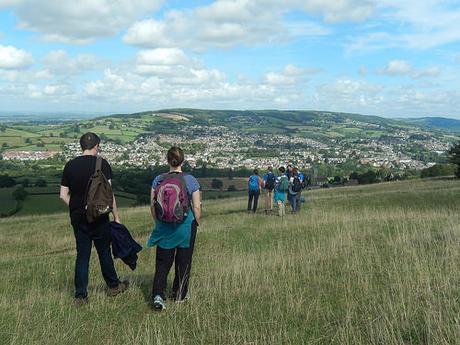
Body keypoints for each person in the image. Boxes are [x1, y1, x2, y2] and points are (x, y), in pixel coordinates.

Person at [60, 132, 128, 306]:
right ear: (96, 145)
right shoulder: (102, 164)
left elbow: (63, 195)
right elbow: (109, 194)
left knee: (82, 255)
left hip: (78, 218)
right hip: (99, 216)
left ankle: (81, 296)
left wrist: (76, 208)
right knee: (103, 251)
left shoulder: (70, 165)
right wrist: (116, 217)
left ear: (81, 146)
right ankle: (113, 286)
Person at [148, 146, 201, 311]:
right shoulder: (190, 180)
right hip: (185, 226)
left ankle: (158, 295)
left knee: (163, 262)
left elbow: (152, 205)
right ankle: (180, 294)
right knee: (184, 261)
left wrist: (159, 223)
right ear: (182, 161)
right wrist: (195, 223)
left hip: (164, 226)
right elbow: (197, 207)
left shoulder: (158, 179)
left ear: (167, 160)